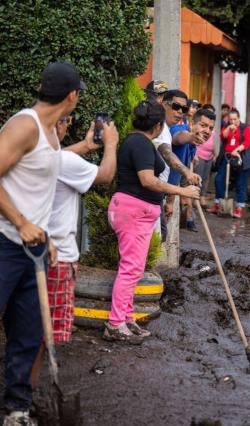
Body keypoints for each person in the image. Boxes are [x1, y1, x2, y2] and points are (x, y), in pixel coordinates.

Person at [0, 61, 84, 425]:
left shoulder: (52, 132)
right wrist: (20, 222)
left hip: (34, 249)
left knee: (29, 333)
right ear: (72, 96)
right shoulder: (25, 126)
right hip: (4, 243)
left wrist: (44, 235)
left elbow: (36, 192)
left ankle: (16, 410)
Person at [104, 101, 201, 343]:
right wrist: (182, 192)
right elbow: (148, 180)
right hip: (132, 210)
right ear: (157, 126)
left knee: (134, 269)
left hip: (138, 211)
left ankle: (127, 318)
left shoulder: (140, 143)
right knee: (129, 270)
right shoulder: (139, 144)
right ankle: (115, 324)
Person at [47, 116, 118, 344]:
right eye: (67, 120)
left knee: (32, 324)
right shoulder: (64, 162)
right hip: (58, 255)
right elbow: (105, 175)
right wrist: (110, 144)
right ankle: (33, 377)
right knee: (48, 335)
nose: (68, 125)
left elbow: (58, 159)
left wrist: (86, 145)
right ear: (58, 124)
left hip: (34, 251)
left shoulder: (33, 155)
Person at [161, 90, 203, 231]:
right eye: (176, 106)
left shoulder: (168, 129)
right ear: (163, 104)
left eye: (183, 109)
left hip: (163, 195)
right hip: (150, 196)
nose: (180, 112)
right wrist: (191, 137)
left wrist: (171, 201)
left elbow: (174, 174)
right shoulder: (169, 130)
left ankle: (189, 221)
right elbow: (178, 139)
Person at [207, 109, 250, 219]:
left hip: (241, 157)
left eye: (235, 119)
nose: (232, 121)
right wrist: (228, 128)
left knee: (240, 183)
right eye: (230, 119)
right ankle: (218, 204)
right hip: (227, 156)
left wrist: (237, 150)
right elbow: (222, 137)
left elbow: (247, 142)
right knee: (219, 179)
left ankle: (239, 208)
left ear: (239, 118)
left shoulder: (246, 128)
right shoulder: (227, 126)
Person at [192, 109, 217, 208]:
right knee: (198, 178)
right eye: (203, 125)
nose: (207, 131)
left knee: (205, 178)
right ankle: (196, 199)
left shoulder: (211, 133)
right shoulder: (183, 133)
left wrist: (214, 154)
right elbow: (179, 137)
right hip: (199, 156)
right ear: (193, 123)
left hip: (209, 156)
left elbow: (213, 143)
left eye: (210, 128)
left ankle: (201, 197)